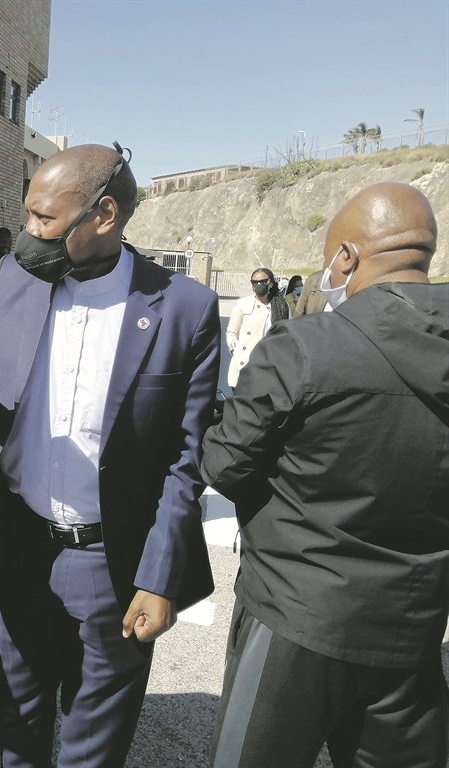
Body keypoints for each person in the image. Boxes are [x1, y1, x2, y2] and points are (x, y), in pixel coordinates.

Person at [0, 142, 220, 767]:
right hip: (21, 546)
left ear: (104, 214)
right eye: (27, 215)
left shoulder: (185, 310)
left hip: (113, 561)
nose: (28, 234)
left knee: (94, 743)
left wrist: (160, 578)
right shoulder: (12, 283)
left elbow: (188, 459)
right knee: (18, 722)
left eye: (44, 220)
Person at [202, 182, 448, 768]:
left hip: (296, 616)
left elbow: (225, 464)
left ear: (347, 258)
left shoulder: (306, 347)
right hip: (413, 628)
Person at [225, 267, 288, 388]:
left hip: (270, 365)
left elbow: (287, 335)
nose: (259, 285)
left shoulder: (282, 306)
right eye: (255, 282)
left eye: (263, 281)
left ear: (270, 282)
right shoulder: (243, 304)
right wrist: (236, 352)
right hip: (244, 366)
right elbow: (231, 333)